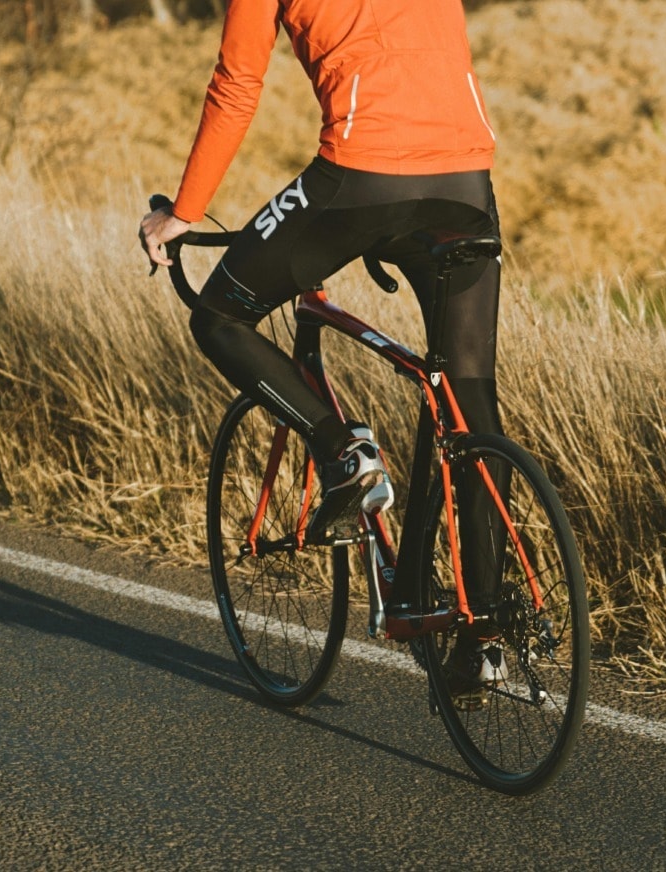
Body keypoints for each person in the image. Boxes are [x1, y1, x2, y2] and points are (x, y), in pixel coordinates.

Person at [138, 0, 506, 693]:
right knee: (470, 397)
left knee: (219, 317)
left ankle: (344, 453)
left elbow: (238, 82)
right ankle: (485, 630)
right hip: (467, 177)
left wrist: (184, 212)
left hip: (360, 176)